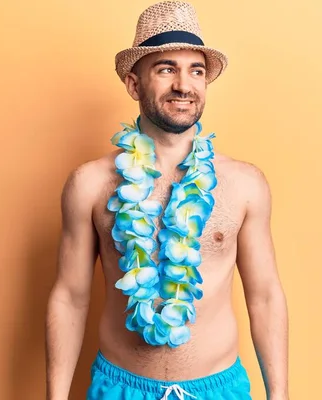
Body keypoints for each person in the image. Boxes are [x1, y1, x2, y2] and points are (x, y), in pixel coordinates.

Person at [45, 1, 289, 399]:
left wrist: (279, 396)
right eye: (166, 69)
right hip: (120, 387)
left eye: (196, 70)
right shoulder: (88, 184)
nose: (184, 84)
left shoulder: (245, 184)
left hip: (218, 388)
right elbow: (70, 297)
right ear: (134, 84)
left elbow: (264, 296)